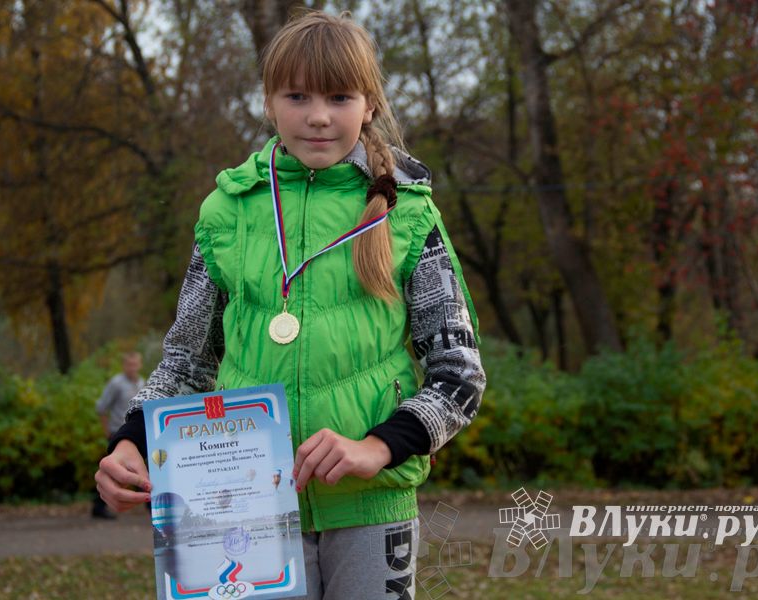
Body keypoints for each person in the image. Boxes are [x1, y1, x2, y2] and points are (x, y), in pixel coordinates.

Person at [95, 11, 485, 599]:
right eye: (297, 95)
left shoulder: (408, 213)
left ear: (370, 105)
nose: (319, 115)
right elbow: (187, 361)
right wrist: (129, 442)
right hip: (241, 510)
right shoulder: (227, 213)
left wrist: (374, 447)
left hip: (371, 507)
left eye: (339, 95)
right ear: (270, 102)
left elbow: (459, 375)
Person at [92, 351, 144, 519]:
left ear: (140, 365)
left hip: (137, 435)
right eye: (129, 364)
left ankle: (152, 507)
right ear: (124, 365)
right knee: (111, 473)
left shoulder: (143, 382)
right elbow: (101, 407)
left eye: (135, 364)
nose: (133, 368)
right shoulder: (116, 383)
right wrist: (106, 430)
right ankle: (98, 507)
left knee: (145, 468)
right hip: (117, 433)